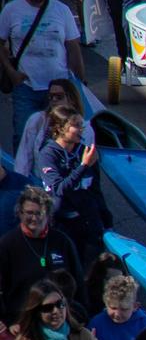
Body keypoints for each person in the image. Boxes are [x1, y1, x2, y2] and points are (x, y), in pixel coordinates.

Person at [0, 0, 82, 148]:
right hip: (25, 88)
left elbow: (73, 48)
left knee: (60, 140)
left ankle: (52, 176)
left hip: (58, 89)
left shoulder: (62, 11)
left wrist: (80, 82)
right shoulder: (11, 10)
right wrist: (11, 72)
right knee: (23, 138)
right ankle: (22, 177)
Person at [36, 106, 106, 264]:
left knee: (90, 269)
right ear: (60, 128)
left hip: (87, 221)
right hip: (60, 224)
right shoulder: (48, 155)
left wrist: (105, 217)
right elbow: (59, 188)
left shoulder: (85, 151)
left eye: (81, 124)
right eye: (75, 125)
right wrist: (83, 166)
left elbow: (95, 188)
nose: (81, 129)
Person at [0, 186, 76, 318]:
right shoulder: (6, 244)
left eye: (39, 213)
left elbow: (78, 282)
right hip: (23, 321)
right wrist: (8, 321)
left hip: (59, 317)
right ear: (20, 213)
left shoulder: (62, 241)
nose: (34, 218)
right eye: (29, 213)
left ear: (48, 214)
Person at [13, 75, 91, 189]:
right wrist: (20, 187)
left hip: (73, 187)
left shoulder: (86, 128)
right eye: (51, 97)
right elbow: (23, 158)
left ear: (72, 99)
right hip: (40, 184)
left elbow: (88, 168)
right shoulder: (37, 120)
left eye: (59, 96)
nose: (54, 100)